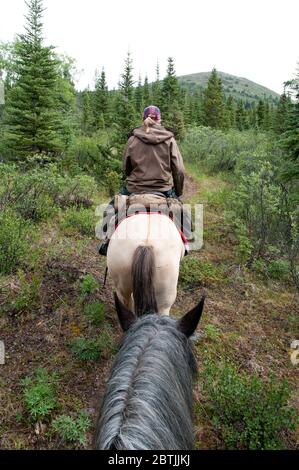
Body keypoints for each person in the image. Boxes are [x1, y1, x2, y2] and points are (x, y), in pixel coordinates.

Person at [98, 105, 187, 256]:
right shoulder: (169, 139)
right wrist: (178, 192)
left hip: (134, 189)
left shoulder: (133, 139)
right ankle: (186, 244)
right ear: (159, 120)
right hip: (163, 190)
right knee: (184, 217)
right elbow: (179, 170)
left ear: (143, 119)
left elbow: (125, 167)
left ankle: (106, 242)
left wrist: (133, 177)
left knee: (109, 210)